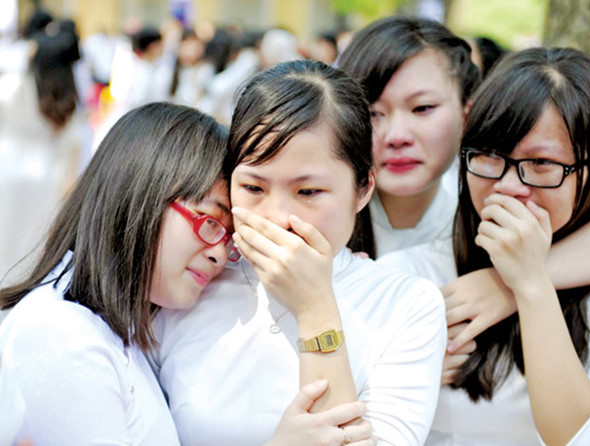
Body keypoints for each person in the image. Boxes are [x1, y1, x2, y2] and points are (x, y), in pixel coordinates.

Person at [0, 102, 368, 445]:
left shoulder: (120, 328)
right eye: (209, 222)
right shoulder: (58, 334)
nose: (219, 255)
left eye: (228, 237)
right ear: (140, 195)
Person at [153, 60, 445, 445]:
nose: (277, 216)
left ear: (363, 189)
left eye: (308, 192)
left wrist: (315, 308)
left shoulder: (407, 306)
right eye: (253, 188)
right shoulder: (193, 280)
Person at [384, 47, 590, 445]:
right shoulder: (410, 276)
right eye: (488, 155)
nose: (508, 186)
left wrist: (527, 282)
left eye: (542, 163)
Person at [338, 15, 480, 258]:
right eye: (373, 113)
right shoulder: (310, 226)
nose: (397, 136)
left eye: (422, 108)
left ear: (466, 115)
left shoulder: (488, 231)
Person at [0, 20, 89, 284]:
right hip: (45, 178)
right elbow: (72, 151)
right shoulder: (67, 99)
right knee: (28, 252)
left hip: (6, 170)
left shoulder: (10, 86)